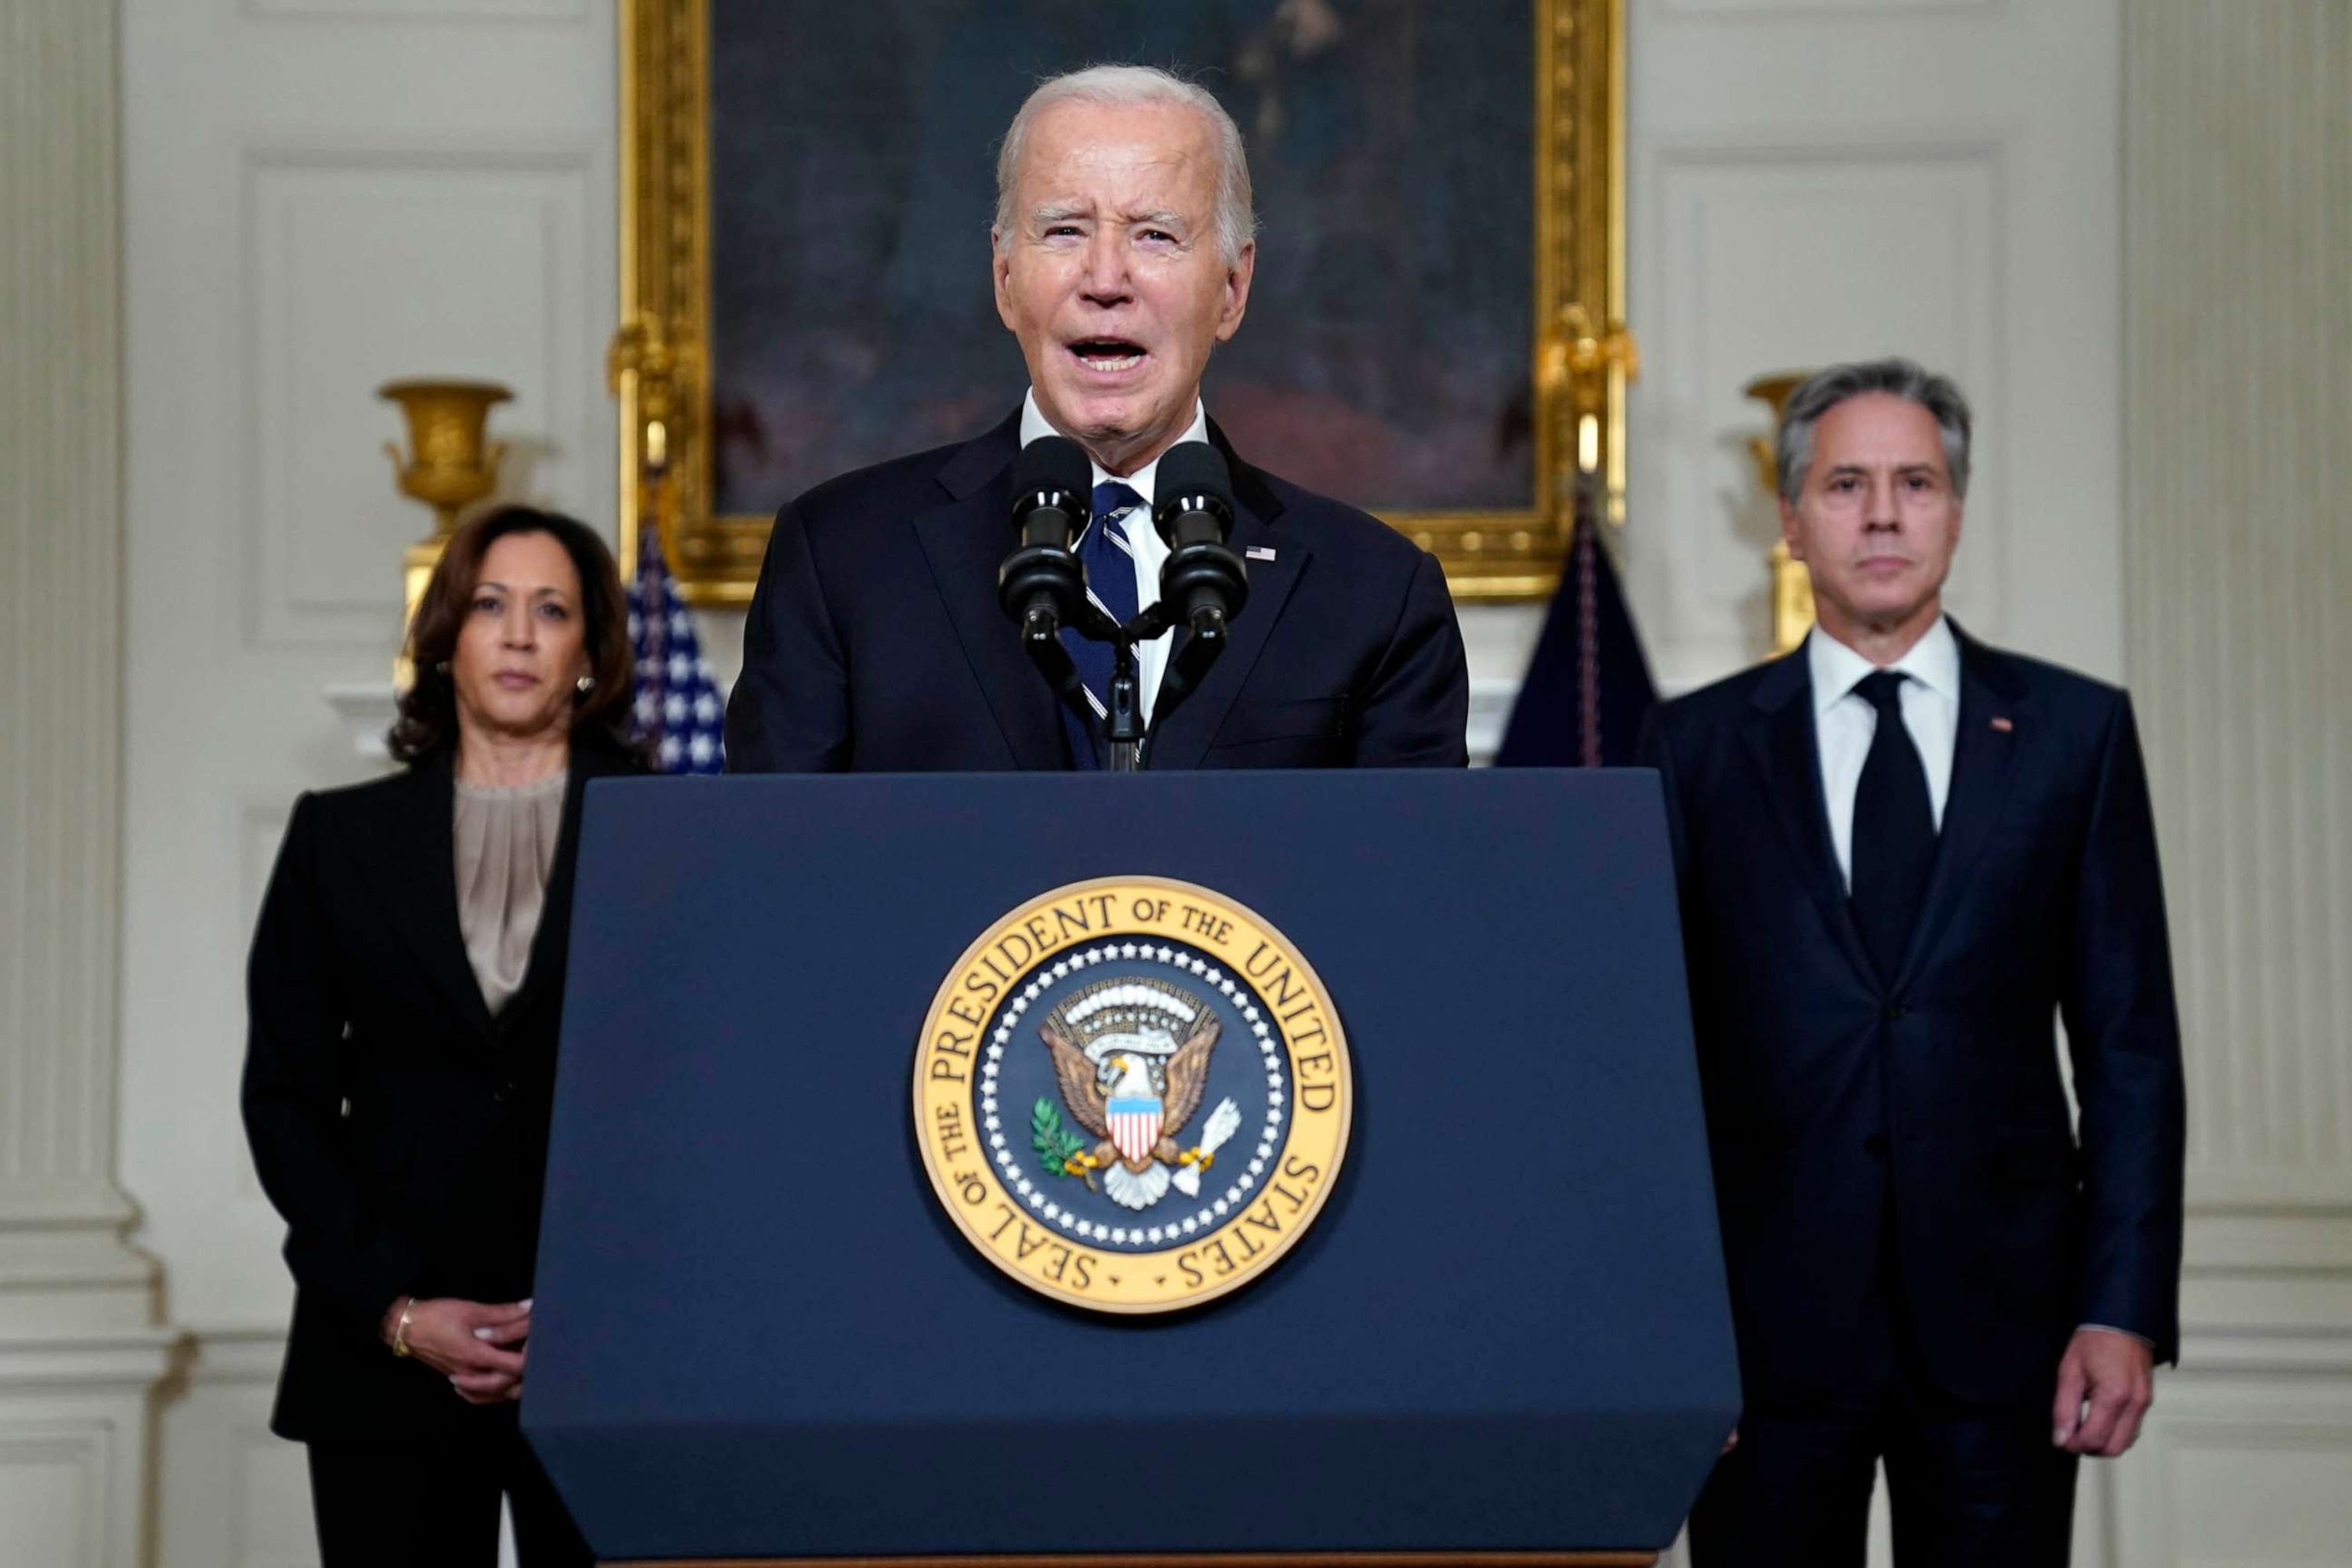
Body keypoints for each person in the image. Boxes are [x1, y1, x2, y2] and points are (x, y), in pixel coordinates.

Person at [1641, 359, 2186, 1565]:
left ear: (1955, 507)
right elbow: (1647, 1067)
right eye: (1845, 484)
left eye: (1915, 482)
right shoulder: (1694, 749)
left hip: (2010, 1344)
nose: (1882, 514)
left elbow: (2131, 1050)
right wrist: (1668, 1334)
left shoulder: (2073, 737)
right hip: (1760, 1351)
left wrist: (2123, 1311)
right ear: (1790, 520)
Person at [724, 64, 1468, 772]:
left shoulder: (1375, 592)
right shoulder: (841, 558)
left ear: (1233, 289)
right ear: (1005, 278)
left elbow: (1405, 890)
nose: (1106, 280)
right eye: (1065, 231)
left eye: (1155, 235)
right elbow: (773, 874)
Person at [243, 505, 646, 1566]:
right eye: (489, 605)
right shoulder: (337, 837)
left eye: (551, 610)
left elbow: (695, 1106)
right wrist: (397, 1310)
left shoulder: (669, 831)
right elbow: (283, 1102)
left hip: (613, 1355)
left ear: (591, 650)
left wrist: (596, 1301)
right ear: (445, 638)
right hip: (383, 1357)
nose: (519, 636)